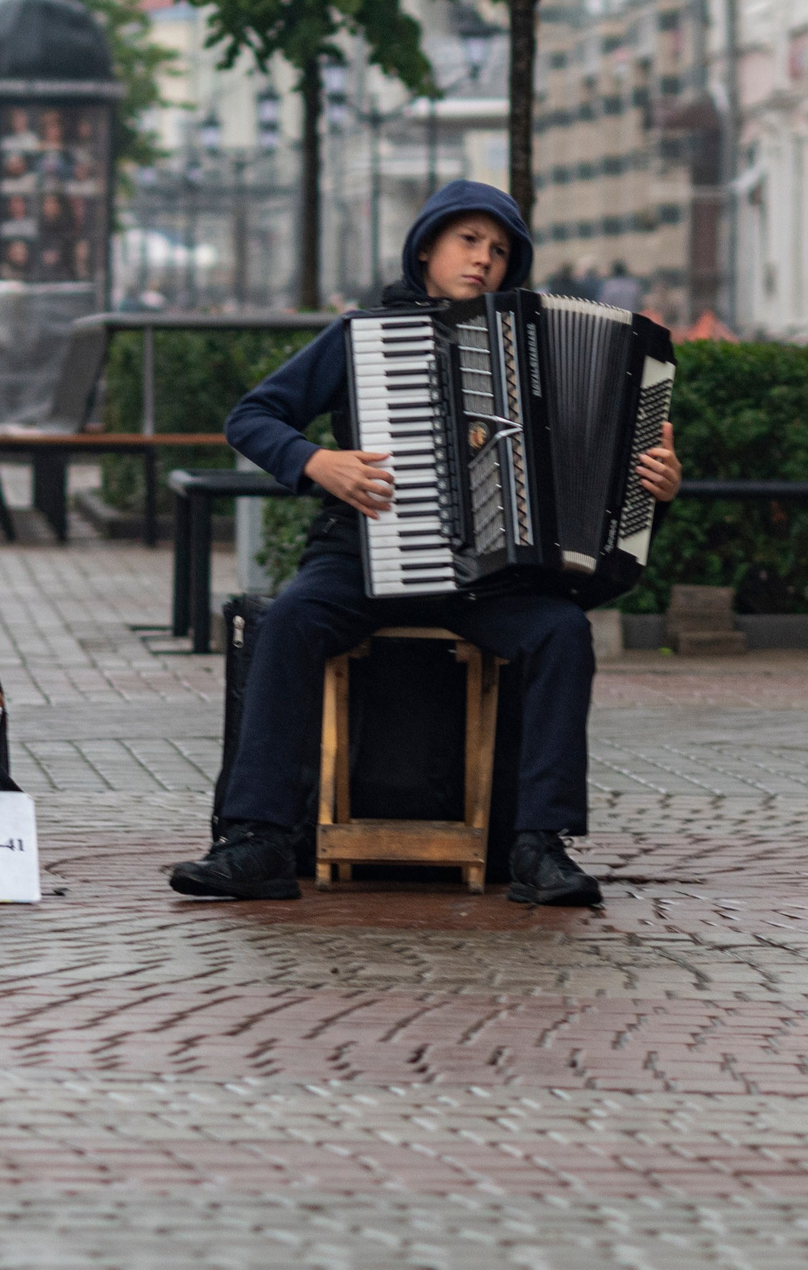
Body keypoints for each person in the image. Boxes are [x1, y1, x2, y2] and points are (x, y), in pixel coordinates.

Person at [169, 180, 682, 907]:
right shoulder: (364, 335)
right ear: (425, 249)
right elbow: (252, 417)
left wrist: (654, 486)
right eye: (468, 240)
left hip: (489, 579)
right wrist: (317, 462)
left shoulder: (527, 346)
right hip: (362, 555)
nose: (483, 259)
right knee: (288, 621)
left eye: (498, 250)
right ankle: (258, 839)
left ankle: (539, 844)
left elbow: (601, 476)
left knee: (562, 632)